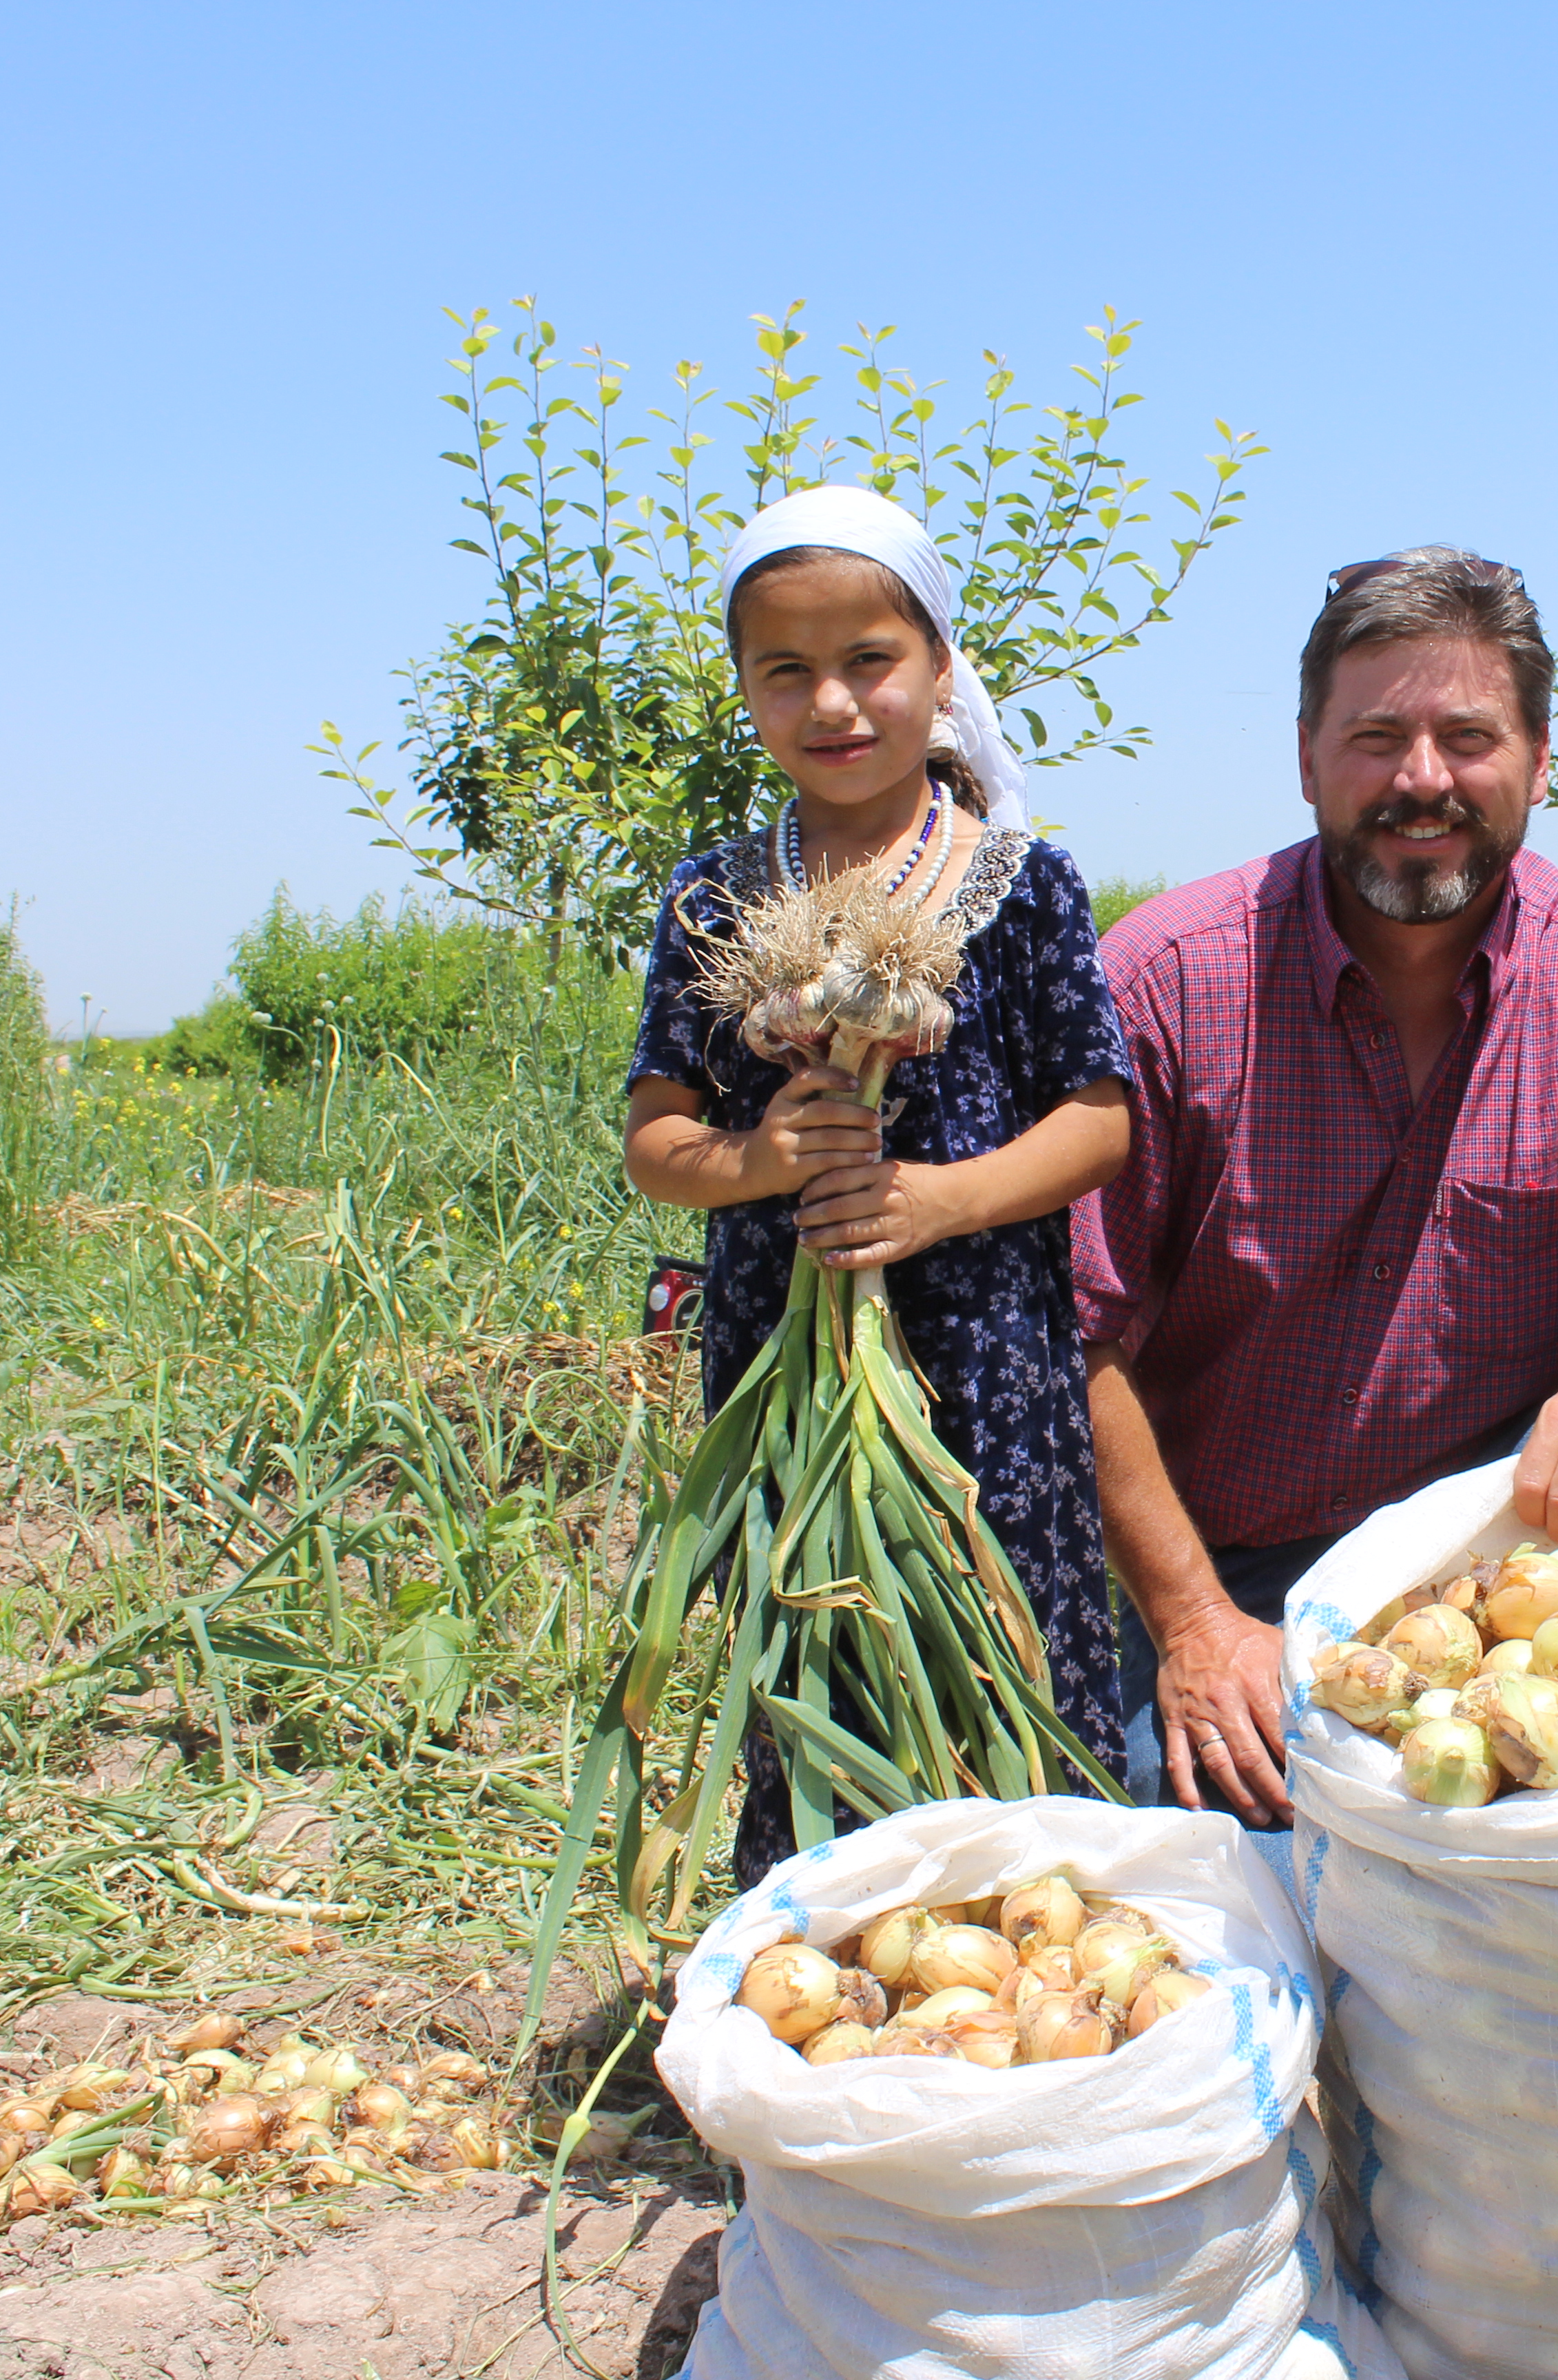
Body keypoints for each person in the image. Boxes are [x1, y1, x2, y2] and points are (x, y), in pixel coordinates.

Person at [1077, 547, 1558, 1826]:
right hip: (1249, 1577)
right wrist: (1196, 1623)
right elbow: (1070, 1338)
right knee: (1183, 1829)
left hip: (1534, 1562)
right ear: (1307, 757)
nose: (1423, 779)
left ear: (1537, 761)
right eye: (1377, 738)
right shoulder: (1168, 977)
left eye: (1467, 737)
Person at [623, 483, 1135, 1885]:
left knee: (999, 1616)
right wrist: (763, 1162)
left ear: (941, 672)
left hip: (989, 1360)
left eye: (870, 661)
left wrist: (935, 1200)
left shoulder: (1023, 885)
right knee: (821, 1616)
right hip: (786, 1368)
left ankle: (1036, 1934)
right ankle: (836, 1936)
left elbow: (1100, 1123)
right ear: (743, 692)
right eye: (785, 671)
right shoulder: (713, 904)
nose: (834, 703)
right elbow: (654, 1139)